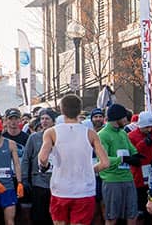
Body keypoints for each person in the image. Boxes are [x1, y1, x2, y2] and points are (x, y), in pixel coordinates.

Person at [38, 95, 110, 225]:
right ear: (80, 110)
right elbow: (105, 163)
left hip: (60, 189)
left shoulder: (51, 132)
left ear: (61, 110)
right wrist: (90, 169)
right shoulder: (90, 133)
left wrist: (45, 165)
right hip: (84, 190)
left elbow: (42, 158)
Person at [97, 104, 140, 225]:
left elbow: (133, 150)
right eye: (124, 117)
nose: (127, 120)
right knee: (111, 217)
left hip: (128, 178)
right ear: (117, 118)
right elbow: (103, 158)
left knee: (132, 214)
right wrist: (121, 159)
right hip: (112, 180)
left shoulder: (122, 133)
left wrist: (137, 157)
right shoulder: (102, 135)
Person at [22, 110, 55, 225]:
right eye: (42, 119)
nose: (44, 121)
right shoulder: (34, 138)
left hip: (56, 181)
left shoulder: (60, 137)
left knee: (54, 216)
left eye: (47, 118)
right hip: (39, 181)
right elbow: (26, 159)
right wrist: (24, 178)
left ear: (53, 121)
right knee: (39, 216)